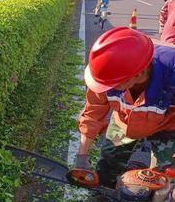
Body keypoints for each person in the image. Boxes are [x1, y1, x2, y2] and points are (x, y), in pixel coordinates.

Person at [75, 27, 175, 193]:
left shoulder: (171, 73)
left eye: (114, 84)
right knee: (108, 163)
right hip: (123, 120)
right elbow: (93, 113)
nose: (108, 89)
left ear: (139, 74)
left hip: (167, 126)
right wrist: (82, 155)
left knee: (163, 181)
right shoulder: (104, 71)